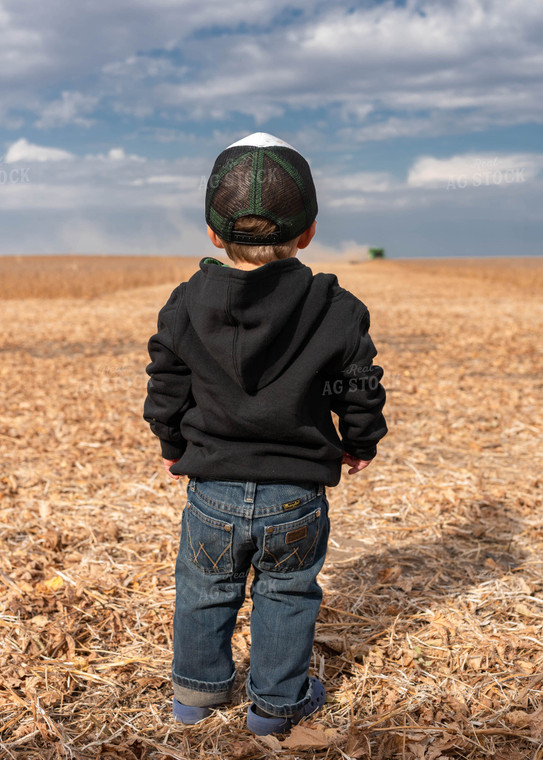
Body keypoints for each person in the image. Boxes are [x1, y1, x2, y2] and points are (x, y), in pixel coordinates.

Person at [143, 132, 387, 735]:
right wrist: (359, 442)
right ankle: (276, 708)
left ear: (212, 233)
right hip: (296, 494)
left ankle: (195, 697)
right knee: (287, 594)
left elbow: (166, 386)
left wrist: (174, 446)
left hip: (212, 491)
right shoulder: (336, 306)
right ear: (308, 231)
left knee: (204, 588)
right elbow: (358, 384)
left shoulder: (185, 302)